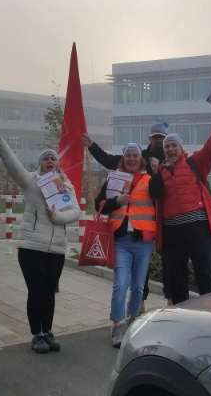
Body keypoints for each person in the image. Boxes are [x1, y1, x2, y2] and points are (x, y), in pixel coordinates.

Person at [0, 126, 81, 354]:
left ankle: (48, 331)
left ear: (58, 164)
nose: (50, 161)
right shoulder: (30, 181)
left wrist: (56, 215)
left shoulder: (65, 186)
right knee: (36, 291)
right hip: (32, 246)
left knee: (49, 292)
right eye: (46, 159)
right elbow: (11, 162)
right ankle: (36, 334)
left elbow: (75, 212)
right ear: (40, 164)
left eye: (53, 159)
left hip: (55, 249)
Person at [81, 117, 170, 309]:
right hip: (122, 237)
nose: (159, 141)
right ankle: (137, 308)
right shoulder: (121, 172)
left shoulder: (170, 158)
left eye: (161, 137)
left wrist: (156, 173)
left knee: (160, 271)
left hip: (152, 231)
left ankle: (167, 302)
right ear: (150, 138)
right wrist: (92, 146)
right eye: (155, 137)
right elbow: (107, 160)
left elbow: (160, 193)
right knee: (122, 283)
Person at [149, 107, 211, 305]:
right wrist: (155, 173)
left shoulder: (196, 162)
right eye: (167, 146)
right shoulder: (160, 172)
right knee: (177, 278)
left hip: (197, 229)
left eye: (173, 145)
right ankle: (181, 316)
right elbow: (155, 195)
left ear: (181, 148)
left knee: (204, 272)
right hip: (172, 232)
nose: (170, 149)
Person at [94, 143, 156, 347]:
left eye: (135, 156)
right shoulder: (114, 178)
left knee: (138, 286)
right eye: (128, 155)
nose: (131, 159)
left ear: (141, 160)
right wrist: (117, 201)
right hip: (121, 241)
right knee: (120, 284)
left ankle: (132, 322)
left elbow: (161, 198)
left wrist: (157, 172)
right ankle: (116, 325)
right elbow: (99, 205)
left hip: (143, 241)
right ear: (123, 159)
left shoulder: (149, 180)